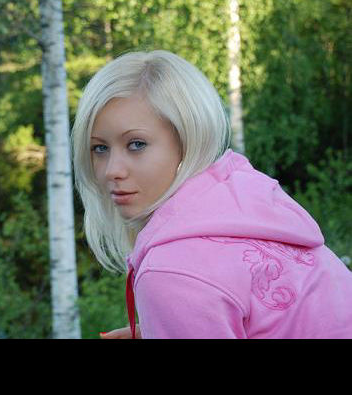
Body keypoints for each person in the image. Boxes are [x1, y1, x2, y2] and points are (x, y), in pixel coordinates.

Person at [71, 50, 352, 339]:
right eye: (100, 148)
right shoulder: (245, 197)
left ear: (187, 142)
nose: (111, 170)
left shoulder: (171, 273)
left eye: (136, 144)